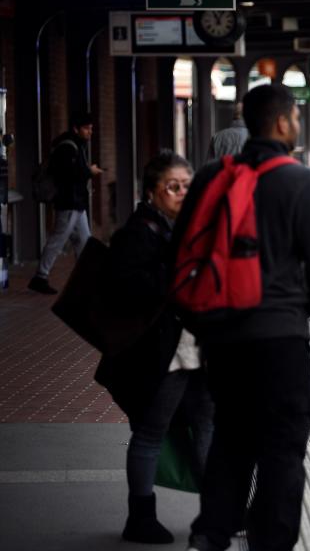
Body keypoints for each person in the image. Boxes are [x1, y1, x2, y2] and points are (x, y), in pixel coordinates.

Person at [176, 84, 310, 551]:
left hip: (224, 338)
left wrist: (202, 325)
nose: (296, 126)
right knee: (282, 447)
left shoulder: (212, 177)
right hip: (280, 338)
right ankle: (269, 542)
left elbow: (181, 253)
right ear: (280, 123)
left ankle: (211, 533)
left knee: (231, 436)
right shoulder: (300, 181)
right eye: (294, 118)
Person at [94, 150, 214, 544]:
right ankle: (140, 516)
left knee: (207, 423)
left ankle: (219, 508)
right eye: (173, 187)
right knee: (151, 431)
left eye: (187, 186)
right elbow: (128, 288)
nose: (183, 193)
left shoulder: (180, 226)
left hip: (192, 346)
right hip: (159, 353)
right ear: (152, 192)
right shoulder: (140, 231)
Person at [28, 113, 104, 294]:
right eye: (86, 128)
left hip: (76, 202)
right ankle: (40, 276)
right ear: (75, 129)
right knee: (58, 240)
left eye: (91, 128)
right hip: (69, 201)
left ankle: (85, 280)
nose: (90, 132)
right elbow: (69, 175)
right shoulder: (67, 148)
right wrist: (89, 171)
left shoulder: (76, 145)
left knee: (84, 241)